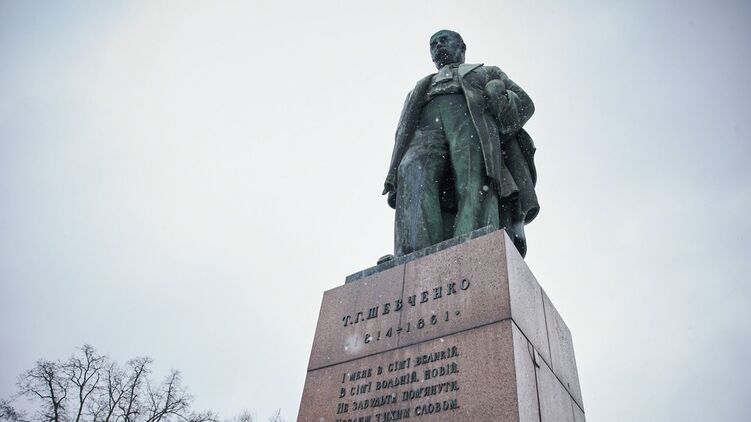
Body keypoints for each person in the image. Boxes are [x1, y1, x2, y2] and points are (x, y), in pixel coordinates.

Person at [383, 30, 539, 257]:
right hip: (426, 125)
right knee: (412, 169)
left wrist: (499, 97)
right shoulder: (421, 86)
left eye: (444, 40)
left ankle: (473, 239)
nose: (438, 45)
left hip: (471, 116)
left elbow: (524, 102)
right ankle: (412, 251)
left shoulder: (486, 71)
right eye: (433, 44)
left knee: (473, 174)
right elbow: (402, 129)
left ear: (462, 47)